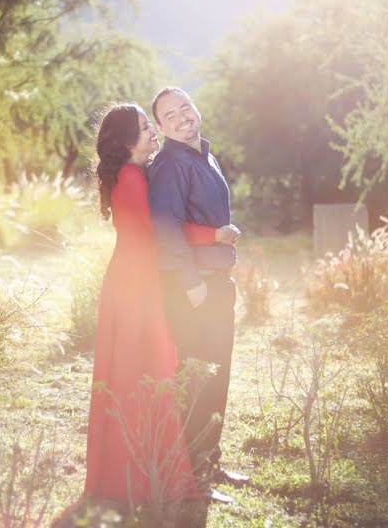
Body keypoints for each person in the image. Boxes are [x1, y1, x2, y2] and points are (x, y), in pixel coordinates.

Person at [83, 103, 240, 505]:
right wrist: (214, 236)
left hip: (132, 279)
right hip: (137, 285)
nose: (153, 132)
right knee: (145, 371)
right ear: (125, 141)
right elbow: (160, 230)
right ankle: (141, 472)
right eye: (144, 127)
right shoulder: (134, 177)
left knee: (136, 374)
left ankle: (137, 466)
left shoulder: (133, 174)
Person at [147, 86, 250, 497]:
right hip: (194, 289)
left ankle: (210, 463)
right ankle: (192, 477)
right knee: (196, 381)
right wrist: (191, 283)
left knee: (217, 375)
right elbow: (167, 229)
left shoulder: (205, 154)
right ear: (160, 127)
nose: (181, 117)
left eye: (185, 107)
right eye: (169, 115)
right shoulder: (169, 163)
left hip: (216, 284)